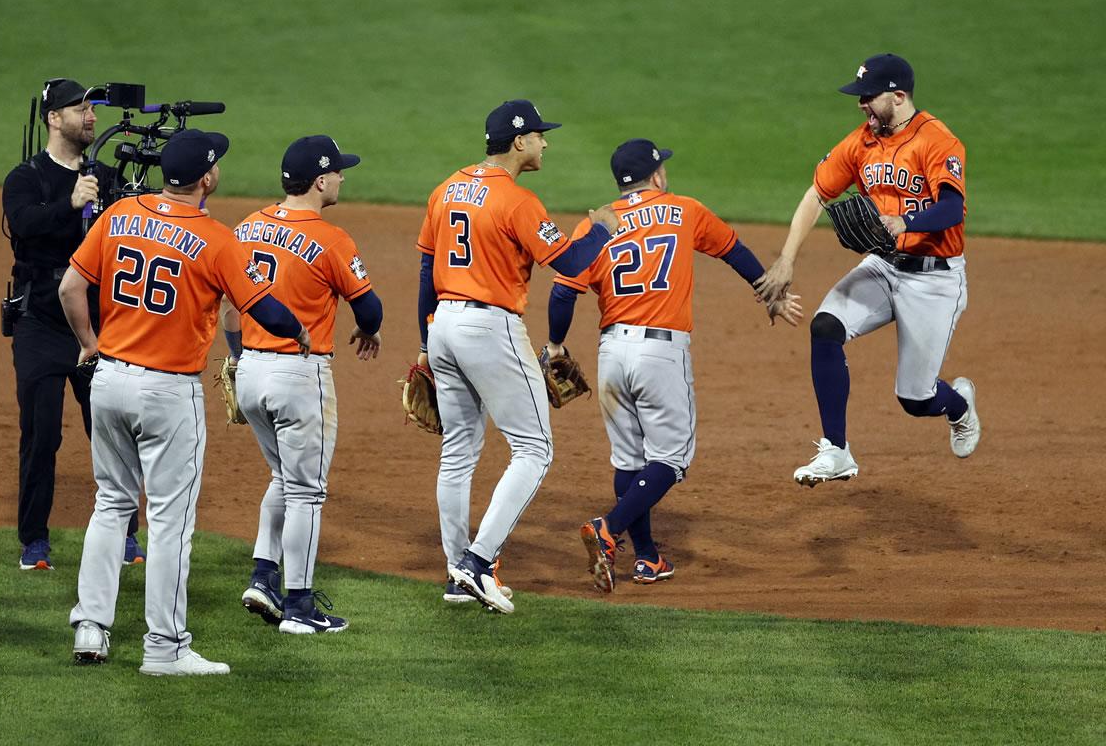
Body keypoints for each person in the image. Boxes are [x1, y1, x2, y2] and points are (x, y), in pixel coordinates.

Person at [59, 129, 310, 676]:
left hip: (108, 380)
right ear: (206, 178)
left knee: (111, 504)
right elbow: (263, 311)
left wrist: (89, 345)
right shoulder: (218, 239)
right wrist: (301, 333)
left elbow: (70, 289)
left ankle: (91, 626)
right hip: (167, 393)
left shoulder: (119, 214)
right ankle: (166, 649)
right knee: (170, 521)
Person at [547, 139, 802, 593]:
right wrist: (770, 292)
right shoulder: (682, 209)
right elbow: (732, 249)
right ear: (657, 176)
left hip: (612, 353)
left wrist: (555, 346)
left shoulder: (595, 224)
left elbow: (564, 291)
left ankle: (647, 558)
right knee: (672, 458)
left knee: (628, 458)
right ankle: (609, 528)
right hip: (660, 353)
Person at [416, 99, 620, 614]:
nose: (545, 143)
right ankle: (478, 563)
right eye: (539, 135)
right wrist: (599, 227)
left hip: (443, 325)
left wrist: (425, 343)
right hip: (489, 327)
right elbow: (570, 261)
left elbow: (425, 271)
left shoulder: (445, 189)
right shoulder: (516, 200)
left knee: (458, 452)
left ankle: (455, 570)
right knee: (534, 449)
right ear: (518, 141)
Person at [754, 53, 981, 487]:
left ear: (898, 96)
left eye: (867, 96)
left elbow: (952, 206)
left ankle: (959, 407)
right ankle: (837, 450)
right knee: (825, 327)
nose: (860, 104)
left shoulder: (937, 140)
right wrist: (786, 259)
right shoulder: (861, 142)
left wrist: (906, 222)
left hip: (935, 279)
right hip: (882, 265)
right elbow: (816, 195)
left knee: (915, 399)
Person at [225, 135, 383, 635]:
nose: (342, 177)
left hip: (249, 369)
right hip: (298, 374)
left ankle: (263, 576)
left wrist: (239, 360)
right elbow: (370, 309)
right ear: (319, 181)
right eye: (338, 171)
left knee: (283, 479)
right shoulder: (332, 239)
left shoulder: (246, 227)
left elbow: (230, 309)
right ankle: (298, 608)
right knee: (308, 493)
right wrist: (370, 329)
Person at [2, 77, 143, 570]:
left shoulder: (103, 176)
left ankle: (126, 534)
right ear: (53, 118)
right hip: (39, 322)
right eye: (79, 108)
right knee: (42, 435)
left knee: (108, 431)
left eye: (91, 108)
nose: (90, 116)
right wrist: (71, 205)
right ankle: (34, 541)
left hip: (95, 321)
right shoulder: (26, 178)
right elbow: (25, 225)